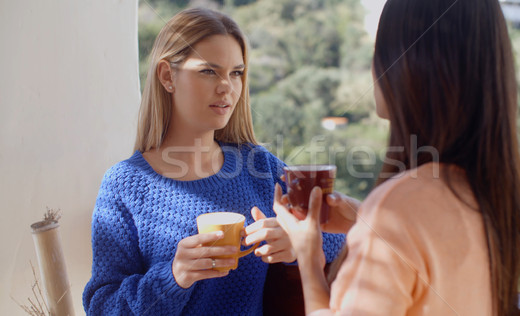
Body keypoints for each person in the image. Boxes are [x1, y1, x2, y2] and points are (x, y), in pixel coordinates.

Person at [272, 0, 520, 315]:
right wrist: (364, 222)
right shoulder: (490, 194)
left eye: (380, 51)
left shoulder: (398, 207)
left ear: (411, 65)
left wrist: (308, 257)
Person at [82, 7, 345, 315]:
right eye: (209, 71)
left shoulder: (258, 167)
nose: (227, 87)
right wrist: (174, 276)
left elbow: (339, 238)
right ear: (168, 76)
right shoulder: (124, 185)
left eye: (236, 73)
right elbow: (101, 306)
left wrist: (298, 244)